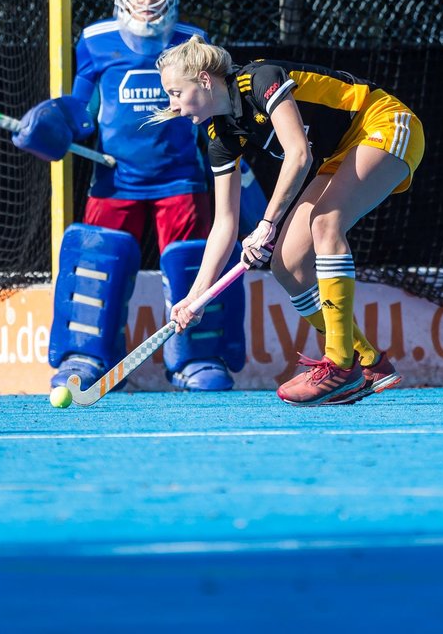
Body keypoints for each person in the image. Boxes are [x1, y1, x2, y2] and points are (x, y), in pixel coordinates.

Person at [15, 0, 258, 393]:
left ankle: (199, 358)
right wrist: (56, 122)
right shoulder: (95, 41)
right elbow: (81, 108)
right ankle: (87, 356)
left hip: (181, 179)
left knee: (194, 259)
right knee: (95, 262)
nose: (147, 3)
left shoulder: (193, 41)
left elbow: (215, 111)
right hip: (114, 181)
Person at [153, 37, 425, 406]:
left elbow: (299, 154)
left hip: (384, 122)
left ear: (203, 80)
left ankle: (340, 365)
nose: (172, 106)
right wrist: (196, 297)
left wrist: (266, 222)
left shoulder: (260, 79)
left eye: (175, 93)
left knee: (326, 224)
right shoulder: (221, 134)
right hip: (342, 152)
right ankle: (368, 362)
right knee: (287, 264)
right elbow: (225, 224)